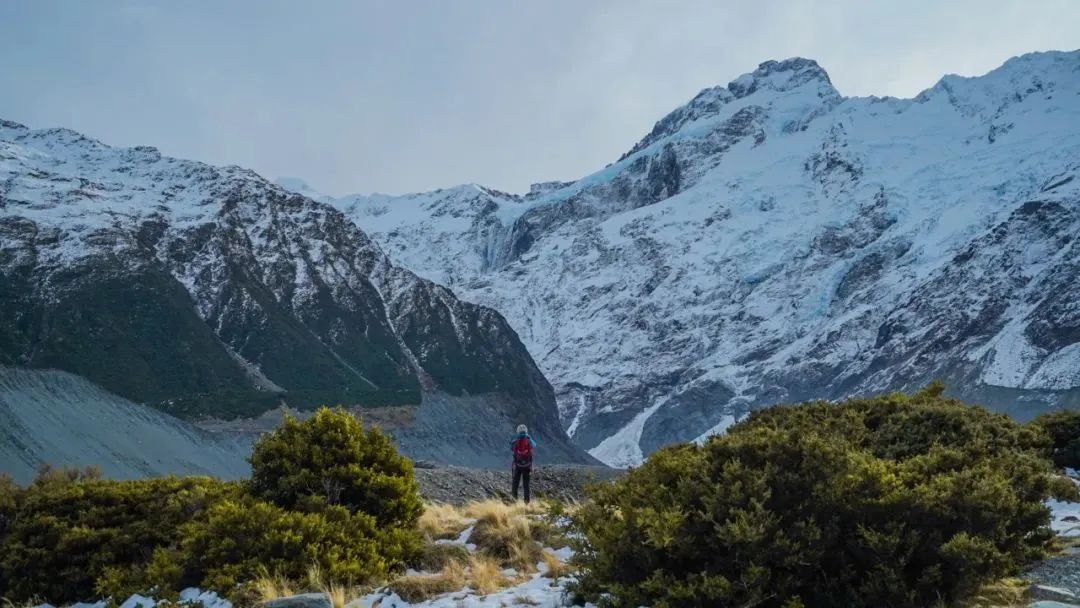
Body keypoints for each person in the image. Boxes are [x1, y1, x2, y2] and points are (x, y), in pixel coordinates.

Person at [510, 423, 536, 503]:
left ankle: (514, 502)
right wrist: (529, 437)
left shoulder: (515, 440)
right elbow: (534, 445)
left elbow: (511, 448)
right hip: (527, 466)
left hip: (517, 466)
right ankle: (526, 503)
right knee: (526, 486)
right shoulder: (528, 439)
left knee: (515, 485)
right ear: (526, 431)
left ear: (518, 431)